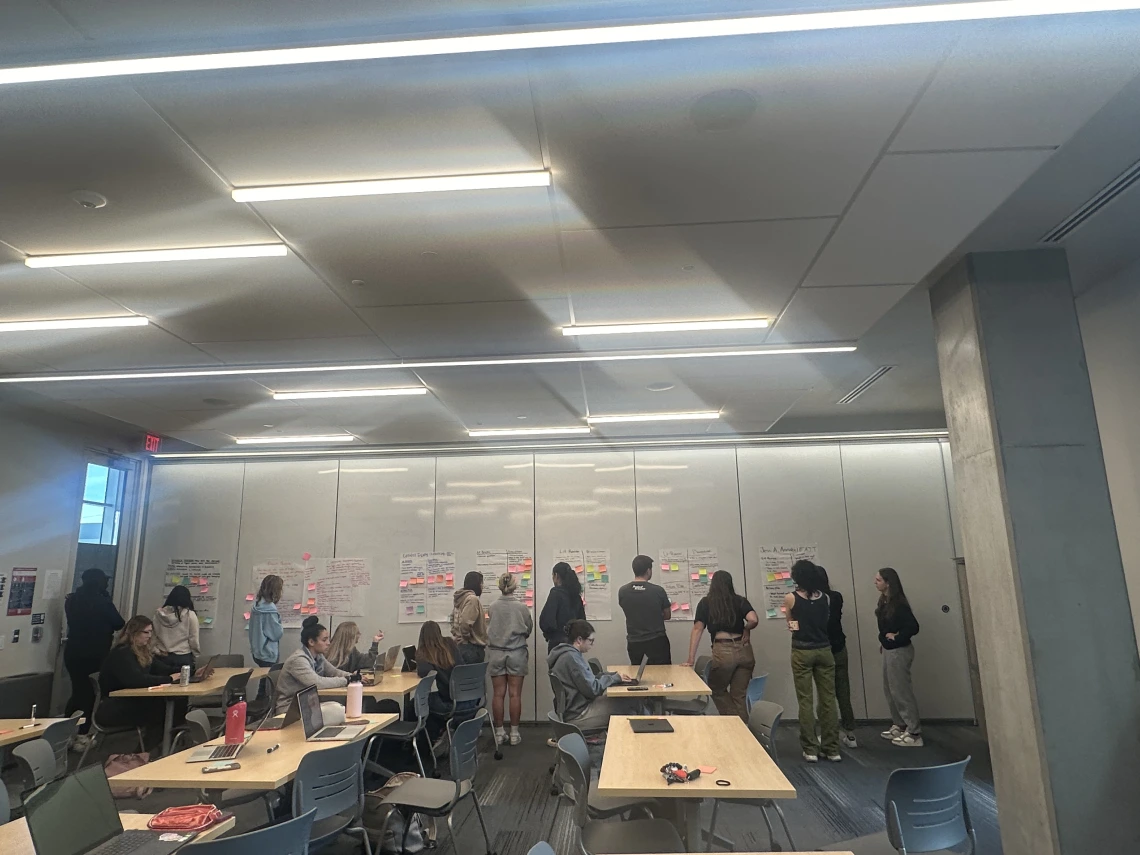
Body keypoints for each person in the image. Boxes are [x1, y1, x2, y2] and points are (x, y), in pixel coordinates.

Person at [96, 616, 200, 750]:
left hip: (132, 702)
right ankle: (146, 752)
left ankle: (156, 749)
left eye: (151, 632)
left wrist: (190, 671)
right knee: (162, 710)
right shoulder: (122, 653)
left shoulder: (142, 652)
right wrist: (169, 679)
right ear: (134, 632)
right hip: (113, 707)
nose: (149, 636)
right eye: (146, 632)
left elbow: (164, 669)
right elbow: (136, 680)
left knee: (173, 706)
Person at [785, 560, 841, 763]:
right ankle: (832, 748)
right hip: (824, 650)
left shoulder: (790, 598)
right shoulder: (825, 598)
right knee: (828, 700)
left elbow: (792, 626)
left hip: (802, 651)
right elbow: (825, 621)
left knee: (805, 701)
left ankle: (810, 749)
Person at [684, 570, 758, 721]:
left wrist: (691, 658)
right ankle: (743, 733)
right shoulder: (740, 600)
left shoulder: (706, 603)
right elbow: (753, 619)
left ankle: (733, 725)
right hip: (744, 650)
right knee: (739, 695)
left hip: (723, 650)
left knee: (716, 688)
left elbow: (698, 629)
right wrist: (746, 628)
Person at [63, 568, 124, 744]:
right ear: (99, 582)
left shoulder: (72, 600)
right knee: (89, 695)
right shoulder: (102, 602)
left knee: (78, 691)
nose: (107, 584)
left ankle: (64, 732)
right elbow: (119, 623)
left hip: (73, 651)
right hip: (95, 653)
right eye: (105, 581)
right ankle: (82, 734)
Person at [548, 619, 636, 730]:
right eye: (591, 640)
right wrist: (614, 679)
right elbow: (593, 689)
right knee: (632, 704)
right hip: (580, 714)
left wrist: (613, 676)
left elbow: (589, 678)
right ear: (579, 640)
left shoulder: (567, 654)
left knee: (628, 702)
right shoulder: (572, 659)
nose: (592, 644)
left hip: (574, 709)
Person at [876, 567, 922, 746]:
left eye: (879, 580)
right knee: (890, 689)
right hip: (889, 650)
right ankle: (900, 724)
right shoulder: (884, 601)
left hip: (899, 651)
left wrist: (897, 637)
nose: (875, 583)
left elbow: (913, 627)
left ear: (888, 583)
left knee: (901, 691)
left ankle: (914, 732)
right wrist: (885, 641)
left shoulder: (899, 604)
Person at [487, 572, 534, 746]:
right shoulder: (522, 607)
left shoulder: (492, 606)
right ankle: (514, 734)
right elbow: (528, 628)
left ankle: (499, 732)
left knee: (498, 694)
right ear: (515, 587)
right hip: (517, 653)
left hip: (496, 653)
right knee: (515, 694)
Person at [275, 616, 352, 714]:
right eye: (324, 640)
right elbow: (317, 683)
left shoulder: (318, 656)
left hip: (307, 703)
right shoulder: (298, 660)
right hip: (289, 709)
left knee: (342, 705)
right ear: (311, 642)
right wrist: (347, 680)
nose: (328, 643)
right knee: (338, 709)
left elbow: (334, 672)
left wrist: (352, 676)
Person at [416, 620, 479, 738]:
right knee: (427, 702)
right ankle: (442, 731)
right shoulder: (450, 643)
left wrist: (419, 658)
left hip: (451, 702)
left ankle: (429, 738)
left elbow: (423, 672)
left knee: (418, 702)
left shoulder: (425, 652)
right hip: (470, 698)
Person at [818, 565, 858, 748]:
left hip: (823, 648)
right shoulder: (836, 597)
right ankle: (850, 734)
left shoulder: (814, 600)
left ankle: (828, 734)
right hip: (840, 647)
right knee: (843, 691)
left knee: (825, 694)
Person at [618, 554, 672, 665]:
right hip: (657, 641)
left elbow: (627, 610)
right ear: (648, 570)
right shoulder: (658, 591)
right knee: (663, 673)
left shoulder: (623, 591)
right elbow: (667, 615)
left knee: (638, 675)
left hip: (634, 642)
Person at [540, 562, 585, 653]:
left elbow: (547, 622)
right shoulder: (576, 596)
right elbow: (583, 622)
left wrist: (549, 634)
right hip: (574, 645)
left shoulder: (556, 593)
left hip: (558, 645)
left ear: (556, 576)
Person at [152, 585, 201, 671]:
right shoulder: (190, 615)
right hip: (183, 656)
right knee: (184, 682)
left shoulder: (157, 615)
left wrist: (156, 651)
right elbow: (193, 639)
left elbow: (152, 636)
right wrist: (196, 655)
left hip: (162, 657)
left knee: (162, 682)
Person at [451, 571, 488, 664]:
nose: (482, 586)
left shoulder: (460, 598)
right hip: (471, 647)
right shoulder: (472, 599)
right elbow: (465, 622)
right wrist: (466, 637)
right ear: (477, 584)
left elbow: (452, 618)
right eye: (481, 583)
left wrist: (456, 634)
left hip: (462, 646)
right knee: (475, 677)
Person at [248, 574, 284, 668]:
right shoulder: (270, 609)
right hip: (268, 653)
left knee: (263, 678)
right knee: (268, 680)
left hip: (257, 651)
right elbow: (276, 634)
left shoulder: (257, 605)